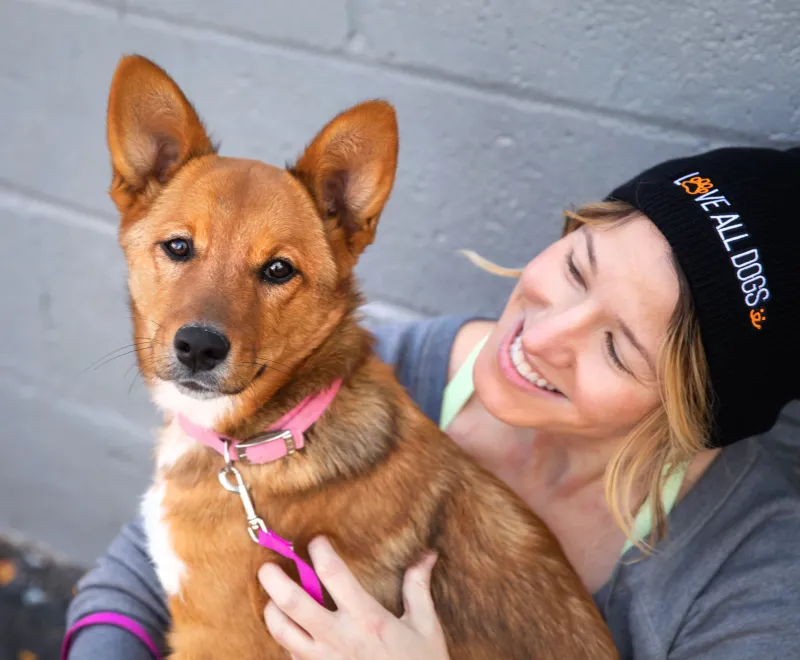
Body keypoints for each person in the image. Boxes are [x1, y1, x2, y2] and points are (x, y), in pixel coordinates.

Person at [66, 147, 800, 659]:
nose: (544, 334)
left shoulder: (752, 580)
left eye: (618, 347)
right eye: (578, 268)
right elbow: (141, 571)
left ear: (694, 411)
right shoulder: (375, 370)